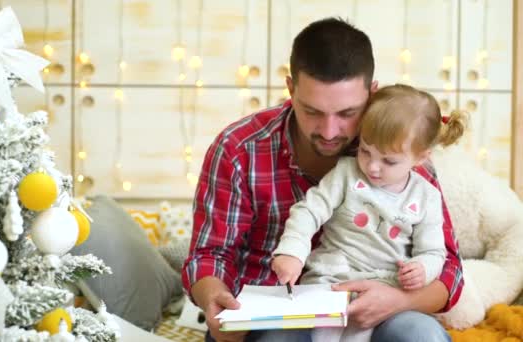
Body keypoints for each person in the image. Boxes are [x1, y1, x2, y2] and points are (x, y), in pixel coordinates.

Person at [182, 17, 464, 342]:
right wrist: (213, 297)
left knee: (421, 336)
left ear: (371, 94)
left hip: (380, 307)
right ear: (290, 89)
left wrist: (400, 300)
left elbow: (449, 269)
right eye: (312, 111)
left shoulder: (401, 152)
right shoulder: (238, 149)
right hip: (271, 314)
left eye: (346, 114)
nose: (330, 131)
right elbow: (210, 254)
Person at [271, 84, 467, 342]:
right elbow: (309, 210)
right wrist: (292, 251)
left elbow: (433, 252)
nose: (372, 167)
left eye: (389, 161)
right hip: (330, 280)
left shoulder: (426, 197)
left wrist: (422, 268)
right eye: (365, 151)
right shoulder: (346, 174)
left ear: (421, 158)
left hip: (385, 290)